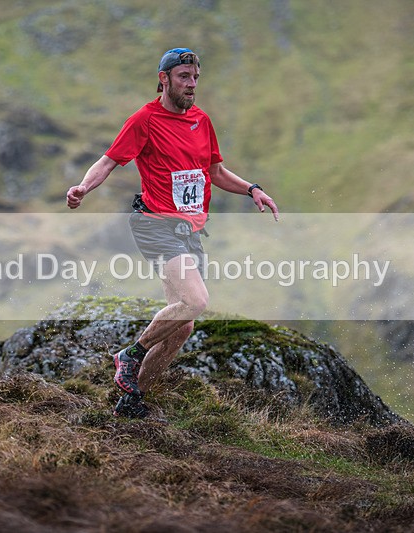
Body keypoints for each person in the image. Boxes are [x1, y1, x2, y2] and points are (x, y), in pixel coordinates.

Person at [66, 47, 279, 418]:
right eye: (184, 77)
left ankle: (131, 402)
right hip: (154, 224)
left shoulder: (202, 121)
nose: (192, 84)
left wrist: (252, 189)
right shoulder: (144, 120)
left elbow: (215, 173)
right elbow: (109, 161)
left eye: (195, 77)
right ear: (164, 79)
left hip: (189, 232)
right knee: (196, 301)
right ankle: (130, 355)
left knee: (182, 325)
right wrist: (84, 188)